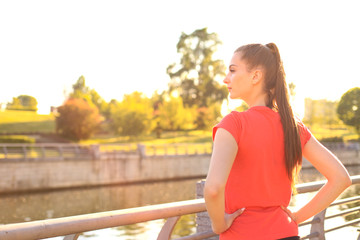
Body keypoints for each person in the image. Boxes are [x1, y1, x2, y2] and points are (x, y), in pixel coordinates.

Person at [204, 43, 352, 240]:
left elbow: (213, 189)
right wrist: (297, 217)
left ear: (255, 76)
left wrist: (219, 224)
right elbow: (341, 178)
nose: (225, 79)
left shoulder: (234, 123)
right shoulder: (293, 127)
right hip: (287, 233)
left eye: (232, 70)